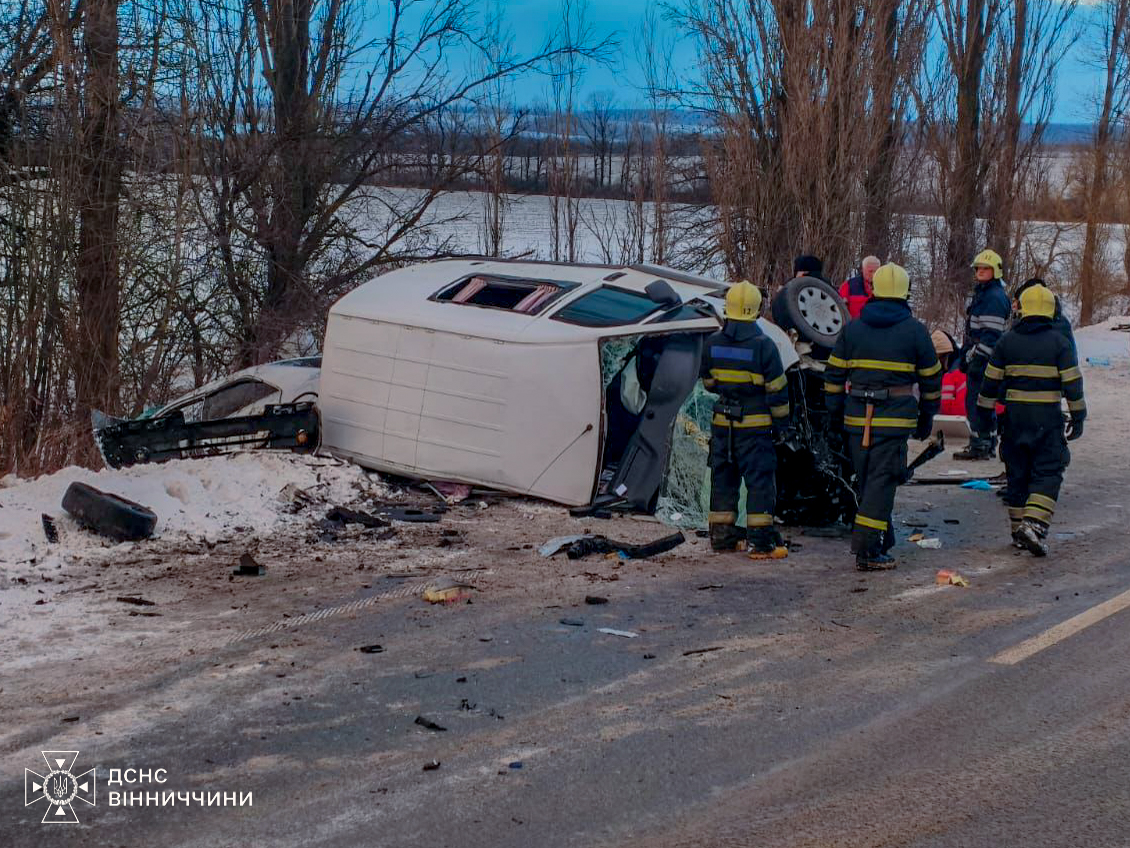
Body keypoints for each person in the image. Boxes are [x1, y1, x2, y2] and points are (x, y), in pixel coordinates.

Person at [824, 263, 941, 570]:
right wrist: (926, 418)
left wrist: (836, 416)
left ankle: (881, 537)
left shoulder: (852, 329)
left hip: (856, 420)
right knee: (881, 483)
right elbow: (931, 382)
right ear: (905, 293)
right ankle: (867, 549)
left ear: (873, 290)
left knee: (868, 483)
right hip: (893, 423)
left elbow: (833, 377)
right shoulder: (915, 331)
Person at [974, 284, 1085, 557]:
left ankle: (1018, 531)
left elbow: (988, 385)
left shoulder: (1006, 341)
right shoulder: (1059, 342)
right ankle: (1034, 525)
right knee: (1048, 471)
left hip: (1013, 419)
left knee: (1017, 473)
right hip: (1046, 419)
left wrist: (984, 420)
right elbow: (1073, 383)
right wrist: (1079, 416)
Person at [701, 281, 791, 559]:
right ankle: (760, 543)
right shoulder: (764, 346)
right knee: (760, 483)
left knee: (723, 479)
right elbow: (777, 392)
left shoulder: (712, 342)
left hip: (722, 425)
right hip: (754, 427)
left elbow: (708, 383)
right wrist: (782, 427)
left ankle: (722, 538)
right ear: (755, 310)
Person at [953, 249, 1011, 460]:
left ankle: (981, 444)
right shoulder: (985, 293)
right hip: (980, 355)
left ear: (995, 271)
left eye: (985, 268)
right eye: (978, 268)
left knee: (978, 402)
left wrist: (978, 359)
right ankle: (986, 442)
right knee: (982, 402)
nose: (980, 271)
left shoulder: (993, 297)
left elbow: (991, 335)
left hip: (985, 359)